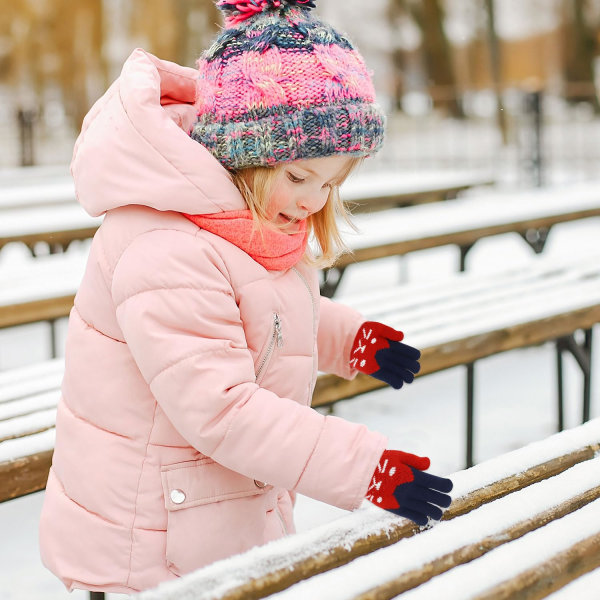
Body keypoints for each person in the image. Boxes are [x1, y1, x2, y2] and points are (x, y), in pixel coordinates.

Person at [39, 0, 452, 594]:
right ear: (242, 154)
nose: (313, 201)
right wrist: (364, 467)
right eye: (299, 177)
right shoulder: (164, 244)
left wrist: (349, 340)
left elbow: (259, 311)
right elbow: (221, 408)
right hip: (143, 550)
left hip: (207, 518)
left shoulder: (237, 220)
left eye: (332, 183)